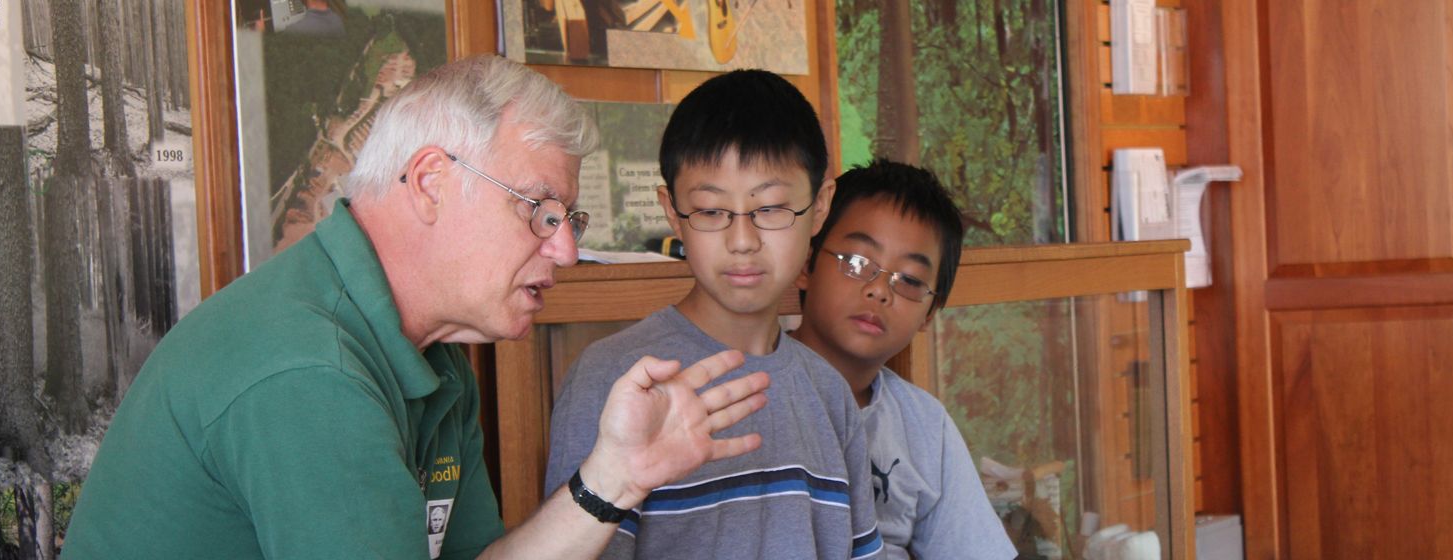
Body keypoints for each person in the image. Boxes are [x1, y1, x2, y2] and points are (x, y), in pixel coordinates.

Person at [62, 54, 770, 560]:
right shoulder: (311, 371)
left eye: (568, 219)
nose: (563, 251)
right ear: (431, 182)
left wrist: (616, 477)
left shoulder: (430, 353)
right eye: (539, 209)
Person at [545, 69, 884, 559]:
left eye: (771, 208)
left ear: (819, 207)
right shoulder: (613, 380)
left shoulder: (829, 393)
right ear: (672, 210)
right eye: (709, 211)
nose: (742, 241)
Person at [789, 160, 1016, 560]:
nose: (880, 290)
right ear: (806, 264)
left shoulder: (924, 425)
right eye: (857, 262)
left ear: (929, 314)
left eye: (909, 280)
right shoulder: (746, 393)